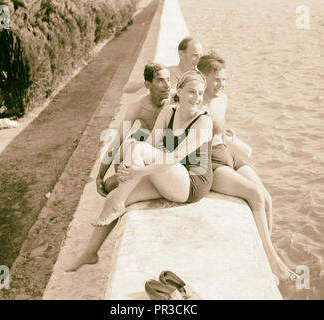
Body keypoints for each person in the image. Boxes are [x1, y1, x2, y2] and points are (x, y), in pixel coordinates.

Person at [65, 69, 213, 271]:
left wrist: (136, 172)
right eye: (191, 92)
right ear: (179, 91)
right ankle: (90, 252)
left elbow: (174, 157)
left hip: (191, 184)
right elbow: (152, 144)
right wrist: (130, 170)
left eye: (200, 93)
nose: (196, 98)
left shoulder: (203, 121)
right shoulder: (169, 112)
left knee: (136, 151)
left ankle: (116, 204)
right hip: (169, 176)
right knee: (119, 189)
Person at [197, 52, 298, 282]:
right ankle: (273, 262)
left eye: (224, 79)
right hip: (211, 162)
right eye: (216, 79)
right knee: (254, 195)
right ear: (202, 77)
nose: (221, 84)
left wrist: (233, 139)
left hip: (227, 154)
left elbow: (221, 131)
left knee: (268, 199)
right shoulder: (195, 103)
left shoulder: (222, 99)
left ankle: (265, 253)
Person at [96, 63, 171, 197]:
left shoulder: (174, 100)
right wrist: (99, 176)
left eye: (168, 79)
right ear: (148, 85)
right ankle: (116, 180)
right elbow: (117, 140)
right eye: (160, 80)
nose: (167, 85)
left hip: (158, 149)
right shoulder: (138, 107)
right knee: (109, 186)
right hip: (141, 145)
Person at [123, 37, 203, 93]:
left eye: (200, 56)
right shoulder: (167, 73)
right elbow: (127, 89)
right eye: (195, 55)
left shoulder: (202, 78)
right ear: (181, 54)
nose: (199, 60)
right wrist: (149, 82)